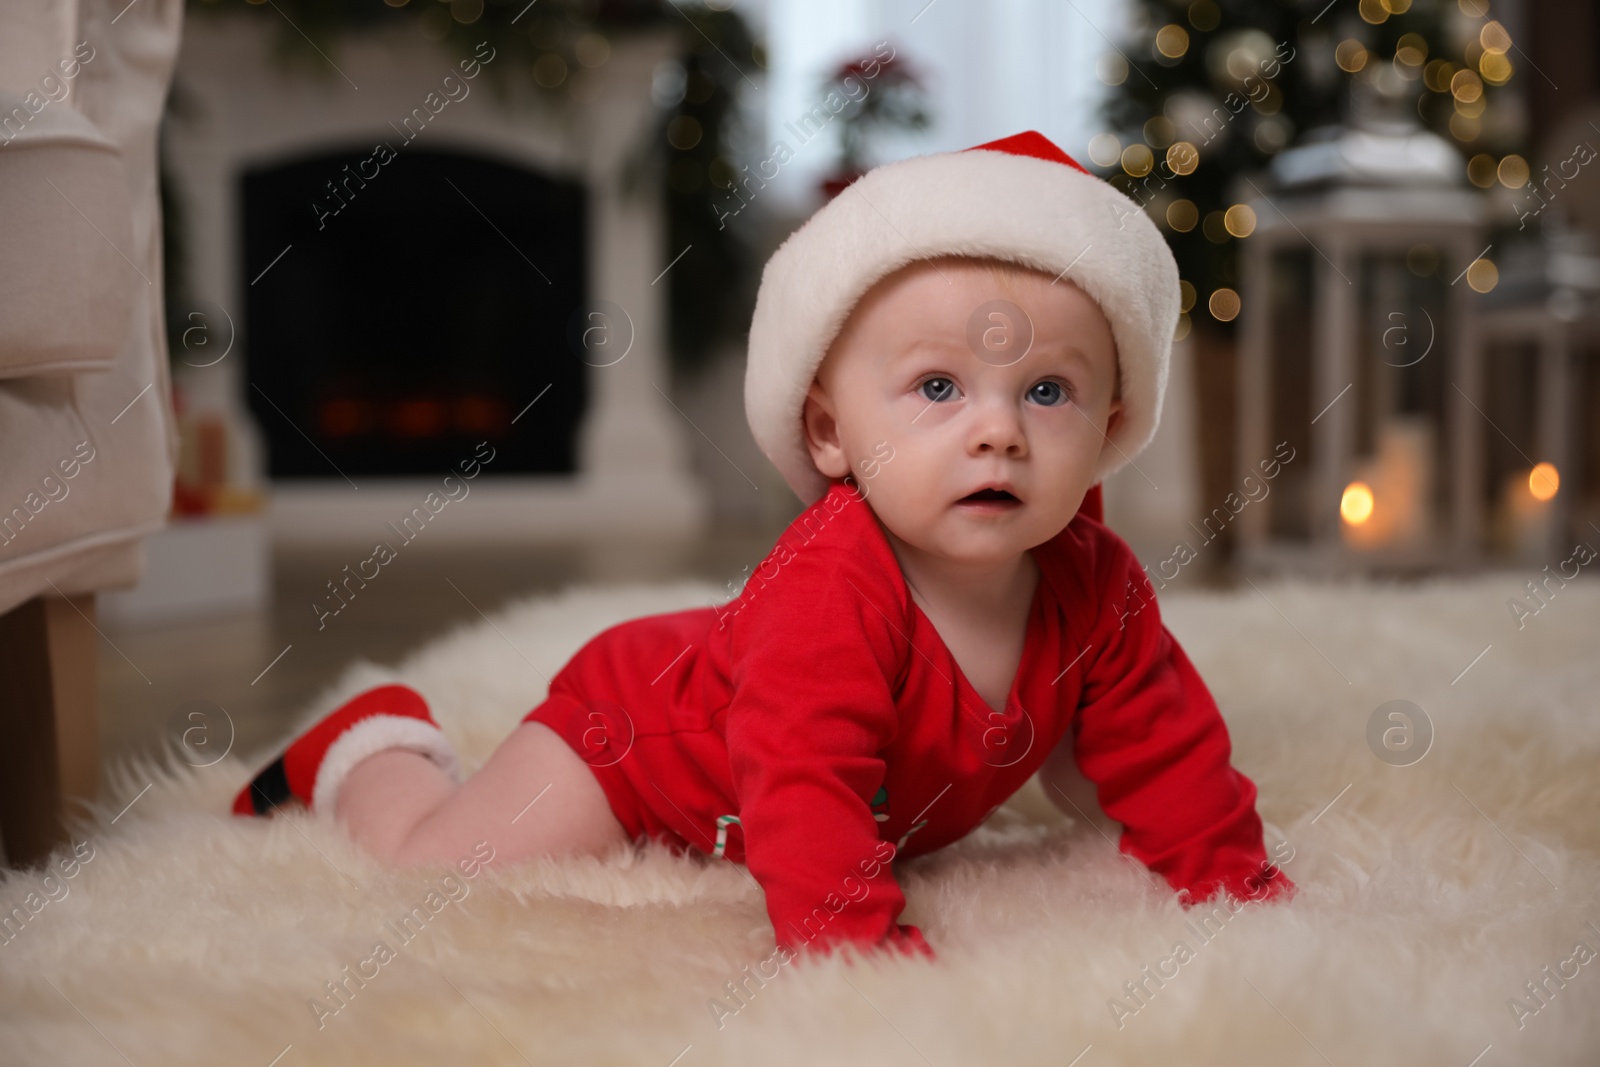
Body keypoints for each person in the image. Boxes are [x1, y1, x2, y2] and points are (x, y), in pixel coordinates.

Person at [232, 130, 1296, 962]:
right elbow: (802, 778)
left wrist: (1231, 877)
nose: (996, 428)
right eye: (936, 386)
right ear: (829, 430)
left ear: (1110, 429)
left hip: (735, 749)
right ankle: (373, 745)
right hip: (636, 742)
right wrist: (850, 941)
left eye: (1048, 391)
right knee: (443, 866)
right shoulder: (834, 582)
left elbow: (1167, 747)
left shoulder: (1095, 584)